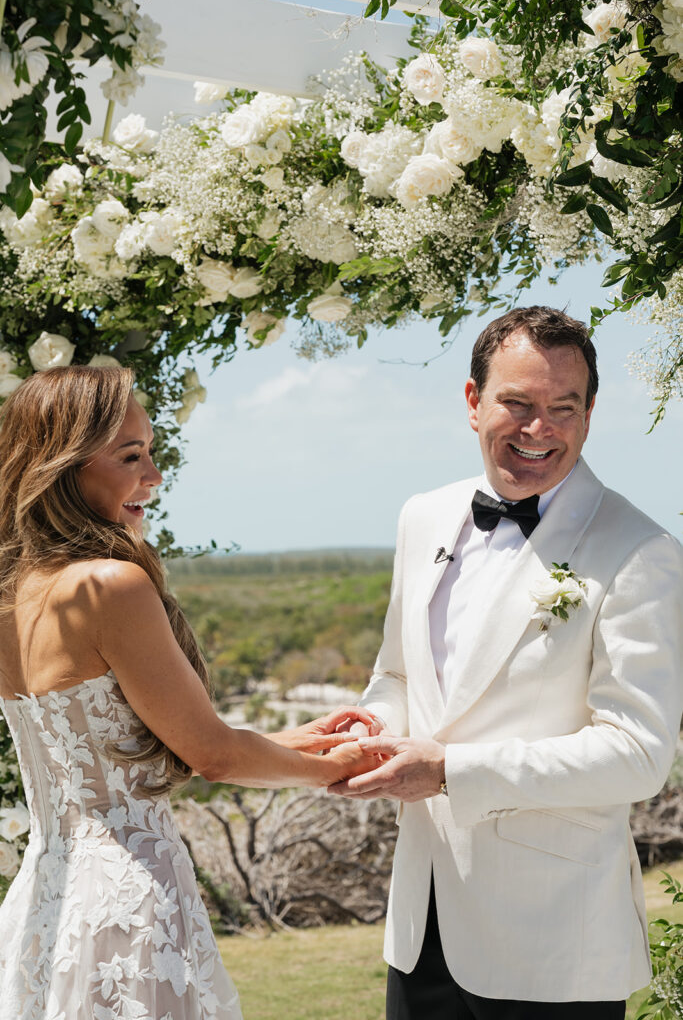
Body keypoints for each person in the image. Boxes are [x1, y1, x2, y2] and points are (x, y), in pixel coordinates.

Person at [330, 305, 683, 1019]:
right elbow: (398, 675)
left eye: (562, 407)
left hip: (553, 940)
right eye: (516, 403)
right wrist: (368, 727)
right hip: (419, 922)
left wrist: (449, 771)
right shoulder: (421, 516)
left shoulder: (642, 551)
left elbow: (637, 754)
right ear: (472, 401)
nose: (538, 429)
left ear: (588, 414)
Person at [0, 365, 379, 1020]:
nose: (153, 476)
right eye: (130, 456)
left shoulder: (12, 595)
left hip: (48, 898)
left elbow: (125, 751)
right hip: (128, 900)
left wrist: (301, 739)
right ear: (64, 467)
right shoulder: (106, 586)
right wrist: (330, 768)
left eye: (151, 452)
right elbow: (214, 756)